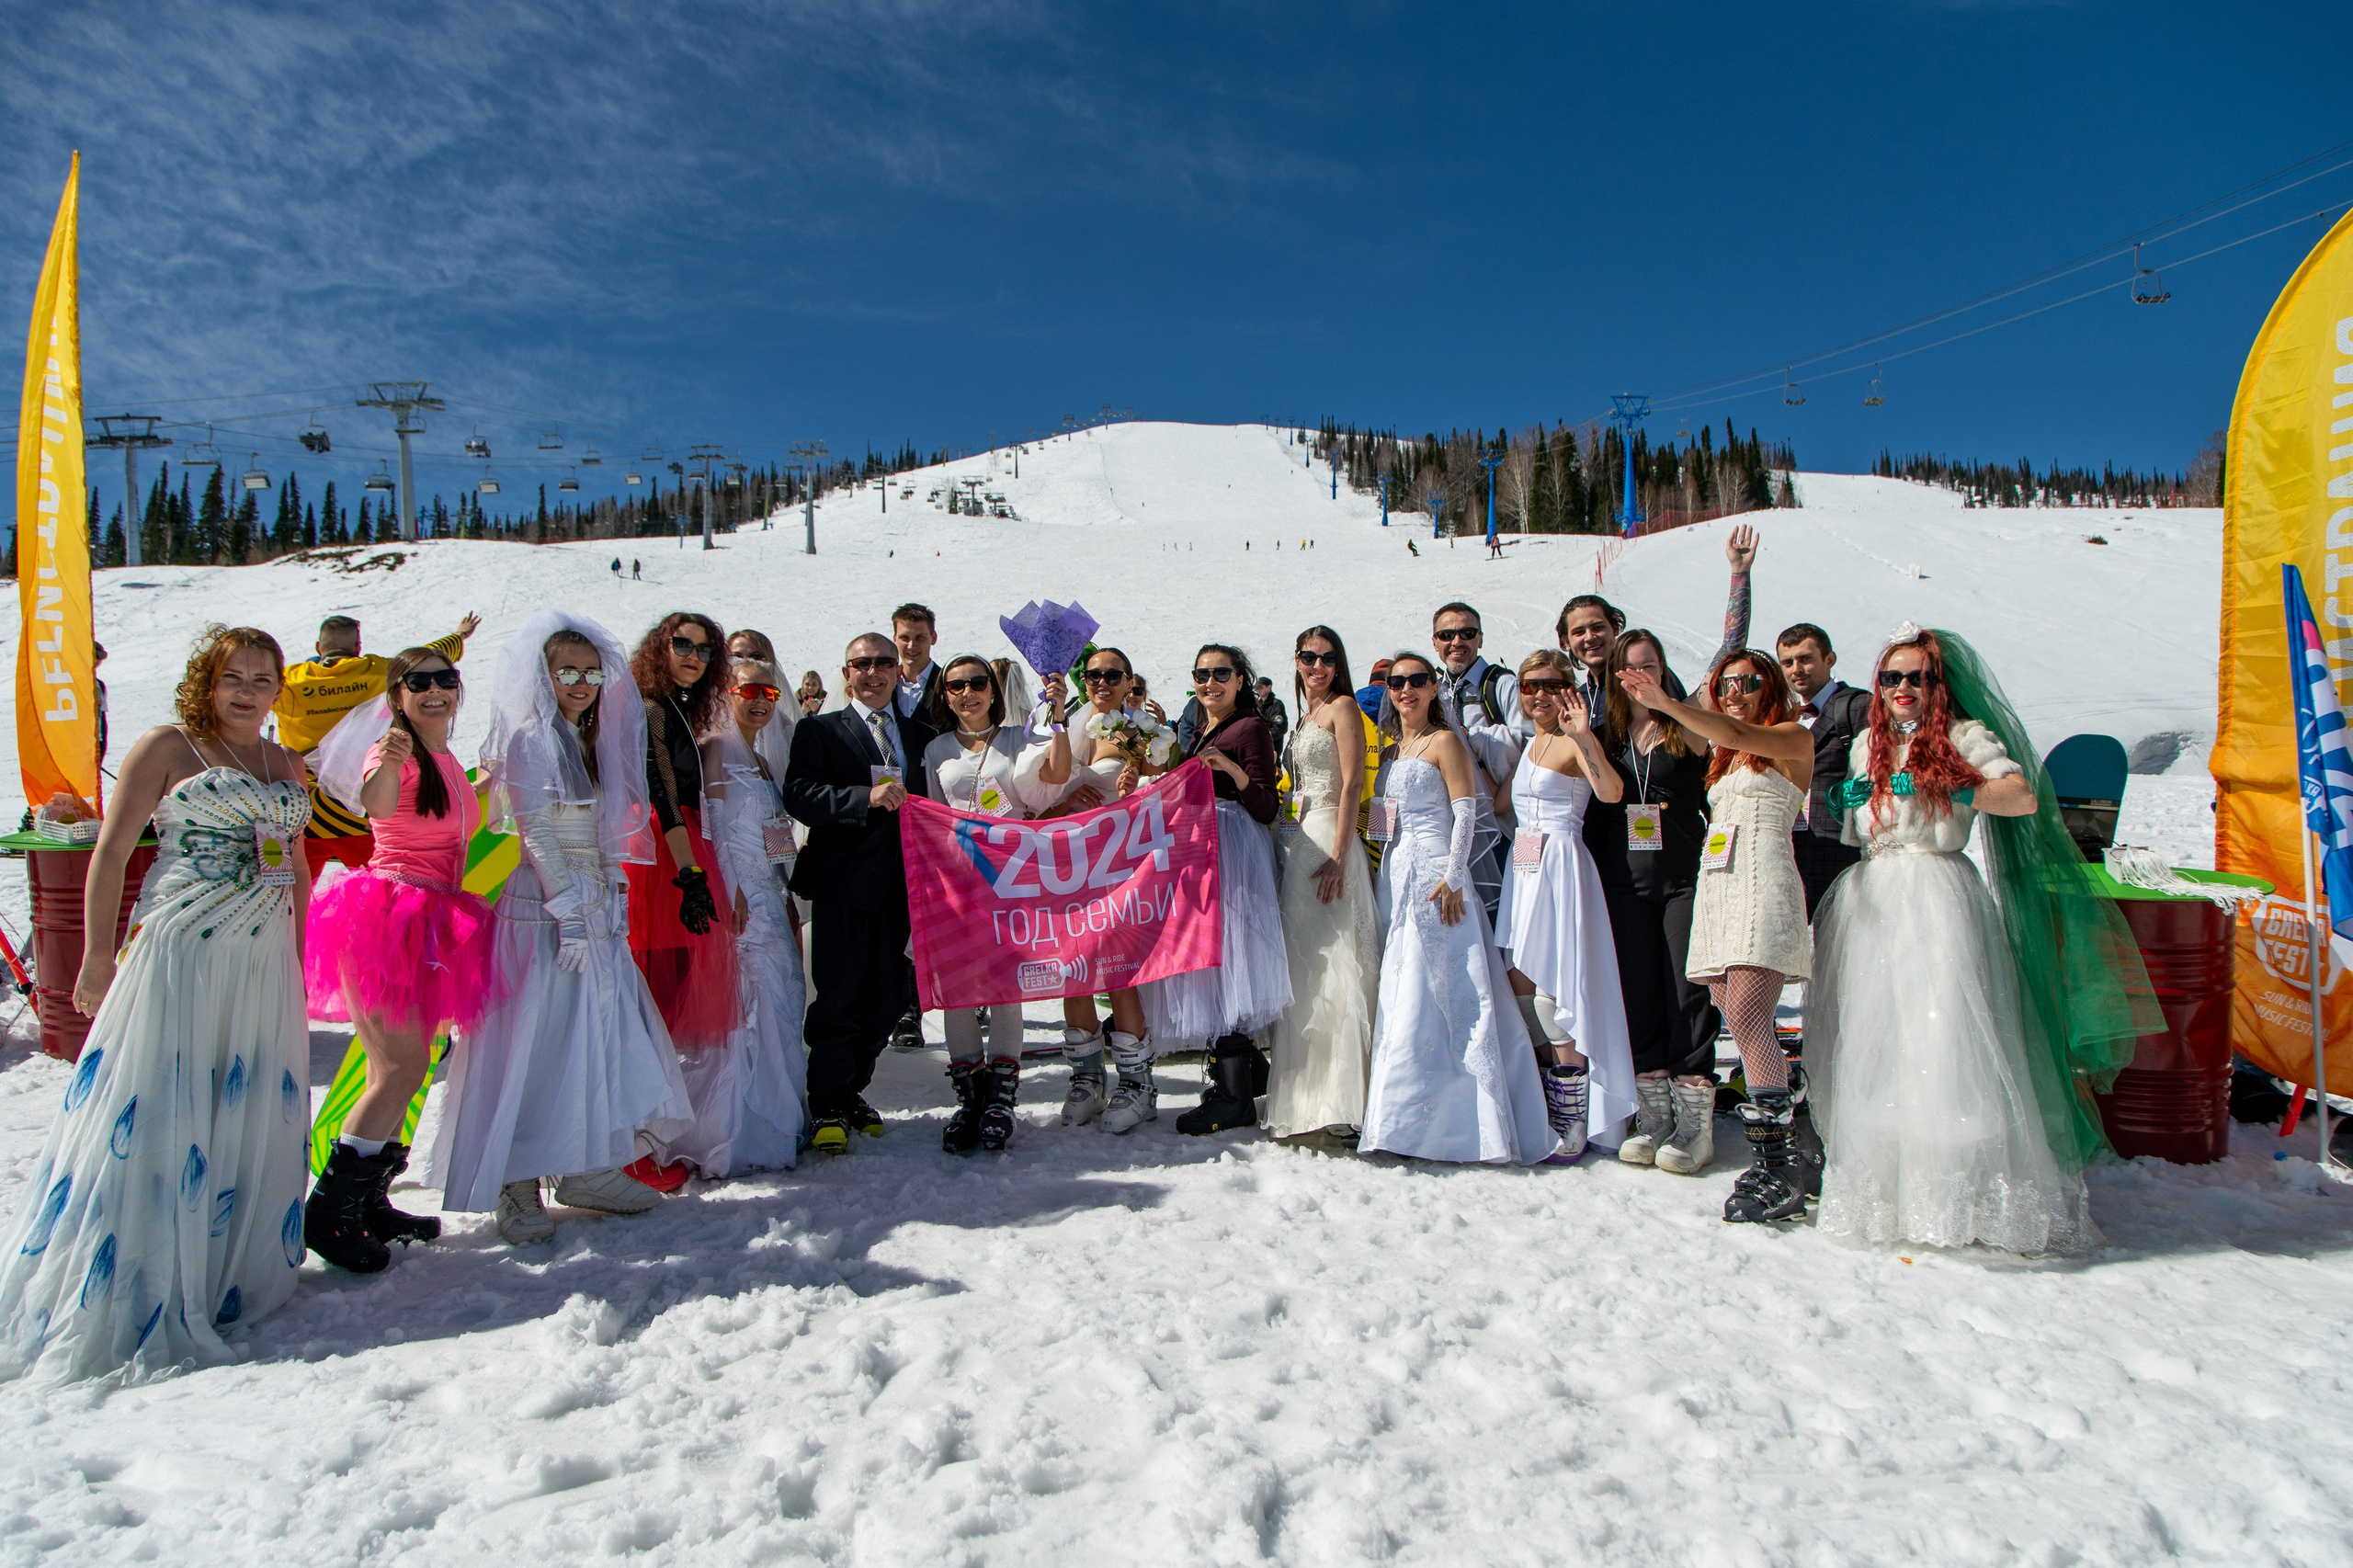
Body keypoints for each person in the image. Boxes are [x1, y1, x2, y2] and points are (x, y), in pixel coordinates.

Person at [0, 626, 313, 1381]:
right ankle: (137, 1279)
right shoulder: (167, 747)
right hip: (182, 949)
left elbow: (297, 868)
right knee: (162, 1105)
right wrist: (99, 956)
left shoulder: (285, 762)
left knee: (235, 1104)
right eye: (232, 675)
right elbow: (110, 851)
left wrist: (297, 960)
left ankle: (219, 1268)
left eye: (262, 679)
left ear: (278, 692)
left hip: (260, 960)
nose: (246, 690)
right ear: (206, 680)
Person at [1807, 626, 2155, 1252]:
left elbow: (2020, 797)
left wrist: (1948, 785)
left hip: (1937, 897)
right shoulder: (1868, 744)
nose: (1904, 689)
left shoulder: (1964, 738)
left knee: (1943, 1039)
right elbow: (1858, 824)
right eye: (1892, 677)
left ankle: (1961, 1197)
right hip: (1873, 899)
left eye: (1918, 677)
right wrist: (1848, 800)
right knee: (1877, 1040)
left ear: (1938, 685)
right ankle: (1890, 1196)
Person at [426, 613, 690, 1244]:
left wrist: (613, 891)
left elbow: (605, 828)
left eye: (590, 672)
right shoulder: (530, 739)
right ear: (543, 677)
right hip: (545, 908)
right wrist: (568, 910)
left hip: (592, 907)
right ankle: (516, 1181)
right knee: (536, 1039)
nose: (580, 683)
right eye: (566, 671)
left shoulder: (589, 739)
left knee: (594, 1035)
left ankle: (587, 1162)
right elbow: (537, 831)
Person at [303, 645, 501, 1270]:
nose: (435, 690)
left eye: (445, 680)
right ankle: (329, 1214)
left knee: (408, 1071)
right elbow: (379, 805)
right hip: (390, 917)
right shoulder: (396, 751)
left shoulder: (442, 758)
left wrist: (491, 779)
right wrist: (385, 763)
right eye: (419, 683)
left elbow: (460, 820)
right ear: (398, 696)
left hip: (437, 919)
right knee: (398, 1068)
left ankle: (370, 1200)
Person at [1620, 646, 1815, 1224]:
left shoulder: (1790, 737)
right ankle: (1793, 1127)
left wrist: (1666, 704)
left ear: (1770, 685)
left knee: (1751, 1015)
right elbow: (1724, 730)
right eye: (1726, 683)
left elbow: (1728, 724)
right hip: (1721, 884)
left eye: (1748, 681)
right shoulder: (1726, 756)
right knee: (1738, 1012)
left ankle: (1776, 1162)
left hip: (1764, 880)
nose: (1735, 691)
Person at [1358, 653, 1557, 1165]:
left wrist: (1453, 874)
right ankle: (1403, 1119)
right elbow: (1385, 822)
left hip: (1437, 876)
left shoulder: (1445, 740)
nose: (1406, 690)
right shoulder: (1396, 747)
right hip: (1398, 876)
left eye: (1416, 681)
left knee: (1445, 986)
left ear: (1431, 689)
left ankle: (1465, 1124)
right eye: (1396, 683)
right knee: (1404, 991)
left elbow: (1466, 810)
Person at [783, 633, 938, 1152]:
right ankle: (826, 1100)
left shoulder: (923, 736)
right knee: (839, 997)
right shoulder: (819, 730)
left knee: (888, 999)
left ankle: (851, 1090)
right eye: (861, 664)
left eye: (883, 663)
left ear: (899, 671)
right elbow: (800, 795)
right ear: (845, 672)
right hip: (844, 886)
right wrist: (862, 797)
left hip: (905, 891)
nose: (872, 672)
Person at [1583, 630, 1725, 1175]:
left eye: (1651, 666)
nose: (1641, 676)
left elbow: (1726, 651)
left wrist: (1740, 578)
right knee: (1639, 990)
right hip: (1625, 878)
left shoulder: (1684, 723)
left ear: (1664, 669)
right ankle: (1654, 1115)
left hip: (1683, 875)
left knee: (1686, 990)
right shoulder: (1609, 733)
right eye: (1630, 668)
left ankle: (1695, 1123)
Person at [666, 656, 812, 1177]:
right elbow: (711, 830)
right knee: (745, 1012)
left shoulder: (760, 759)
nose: (758, 701)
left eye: (769, 695)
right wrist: (728, 892)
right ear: (726, 694)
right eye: (748, 691)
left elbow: (775, 835)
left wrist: (786, 889)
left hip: (770, 897)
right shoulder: (714, 753)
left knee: (778, 1004)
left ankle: (776, 1123)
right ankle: (728, 1133)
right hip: (738, 900)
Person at [921, 656, 1071, 1150]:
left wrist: (1058, 714)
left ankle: (1002, 1098)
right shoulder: (935, 750)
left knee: (1006, 986)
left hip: (1010, 880)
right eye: (956, 685)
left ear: (994, 689)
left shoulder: (1017, 739)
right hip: (956, 884)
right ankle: (970, 1098)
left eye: (977, 683)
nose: (968, 693)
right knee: (960, 989)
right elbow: (928, 817)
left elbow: (1054, 773)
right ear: (944, 695)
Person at [1495, 649, 1636, 1162]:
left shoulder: (1576, 739)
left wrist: (1583, 737)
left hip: (1560, 867)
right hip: (1524, 868)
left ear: (1568, 688)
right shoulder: (1532, 743)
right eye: (1530, 685)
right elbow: (1500, 804)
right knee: (1517, 984)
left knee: (1556, 996)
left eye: (1550, 685)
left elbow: (1612, 791)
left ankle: (1572, 1116)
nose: (1539, 694)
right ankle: (1540, 1094)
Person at [1147, 644, 1291, 1136]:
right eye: (1202, 674)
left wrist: (1228, 771)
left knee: (1226, 962)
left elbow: (1266, 805)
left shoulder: (1250, 726)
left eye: (1221, 673)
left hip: (1231, 846)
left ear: (1240, 679)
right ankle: (1245, 1074)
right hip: (1207, 844)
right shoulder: (1207, 727)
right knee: (1217, 959)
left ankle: (1234, 1097)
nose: (1210, 682)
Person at [1037, 646, 1164, 1131]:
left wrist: (1142, 781)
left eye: (1113, 674)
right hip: (1067, 863)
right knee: (1074, 967)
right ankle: (1087, 1079)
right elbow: (1045, 782)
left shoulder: (1142, 729)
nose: (1102, 682)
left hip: (1118, 866)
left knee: (1118, 972)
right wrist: (1063, 801)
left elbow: (1166, 785)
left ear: (1129, 679)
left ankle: (1138, 1085)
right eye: (1093, 675)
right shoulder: (1065, 723)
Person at [1263, 628, 1379, 1144]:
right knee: (1306, 966)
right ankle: (1307, 1094)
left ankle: (1345, 1098)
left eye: (1328, 658)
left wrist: (1340, 853)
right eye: (1309, 657)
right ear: (1296, 660)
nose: (1318, 665)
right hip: (1300, 844)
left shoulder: (1343, 707)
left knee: (1339, 963)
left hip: (1331, 843)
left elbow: (1353, 781)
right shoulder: (1304, 714)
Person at [277, 612, 480, 877]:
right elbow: (427, 656)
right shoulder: (377, 671)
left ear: (319, 648)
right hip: (353, 810)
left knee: (290, 903)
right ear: (357, 647)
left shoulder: (290, 681)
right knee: (378, 886)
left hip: (304, 813)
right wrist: (460, 636)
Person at [1557, 524, 1756, 717]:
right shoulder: (1580, 701)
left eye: (1598, 627)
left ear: (1615, 628)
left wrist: (1740, 573)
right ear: (1566, 641)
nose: (1589, 637)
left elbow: (1730, 649)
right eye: (1579, 632)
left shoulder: (1649, 681)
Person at [1427, 603, 1520, 920]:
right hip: (1454, 833)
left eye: (1467, 633)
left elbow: (1530, 747)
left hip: (1501, 830)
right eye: (1447, 634)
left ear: (1480, 639)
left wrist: (1473, 741)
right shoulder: (1432, 691)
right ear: (1435, 642)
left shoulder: (1501, 685)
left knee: (1501, 921)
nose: (1457, 642)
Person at [1778, 623, 1871, 918]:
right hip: (1790, 853)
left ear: (1829, 660)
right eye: (1788, 662)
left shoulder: (1857, 707)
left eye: (1805, 659)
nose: (1796, 669)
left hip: (1840, 855)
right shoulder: (1781, 717)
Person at [1255, 676, 1290, 759]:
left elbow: (1281, 728)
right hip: (1257, 751)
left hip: (1272, 752)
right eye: (1256, 688)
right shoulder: (1256, 706)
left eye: (1260, 687)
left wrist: (1264, 738)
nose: (1257, 690)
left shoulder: (1276, 705)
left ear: (1269, 687)